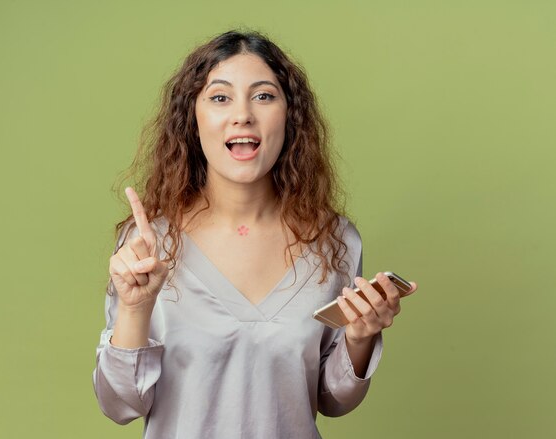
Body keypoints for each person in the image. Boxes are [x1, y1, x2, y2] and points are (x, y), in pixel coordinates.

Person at [92, 29, 418, 438]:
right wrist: (136, 308)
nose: (242, 114)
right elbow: (119, 405)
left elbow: (333, 400)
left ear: (289, 115)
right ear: (193, 118)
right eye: (220, 97)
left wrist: (360, 336)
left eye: (263, 96)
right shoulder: (148, 246)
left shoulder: (335, 241)